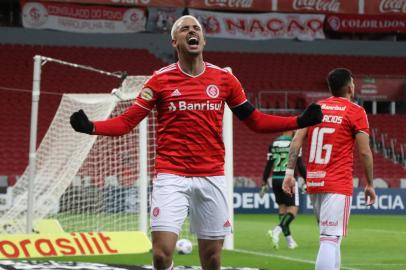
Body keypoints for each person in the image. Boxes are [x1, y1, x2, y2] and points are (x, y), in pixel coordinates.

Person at [70, 15, 323, 270]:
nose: (192, 31)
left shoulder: (224, 79)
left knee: (212, 258)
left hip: (211, 176)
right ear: (174, 42)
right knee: (161, 254)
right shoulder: (159, 80)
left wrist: (298, 121)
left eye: (196, 28)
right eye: (184, 29)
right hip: (171, 175)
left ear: (203, 39)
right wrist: (92, 127)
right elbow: (127, 121)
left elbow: (255, 121)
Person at [282, 68, 376, 270]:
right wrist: (369, 183)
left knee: (332, 238)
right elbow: (365, 152)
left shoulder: (315, 107)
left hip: (315, 182)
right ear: (350, 87)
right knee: (329, 239)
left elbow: (296, 141)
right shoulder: (356, 112)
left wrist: (289, 174)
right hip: (337, 183)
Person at [260, 130, 306, 249]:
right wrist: (307, 179)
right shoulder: (294, 143)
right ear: (291, 130)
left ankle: (290, 241)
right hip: (288, 179)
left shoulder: (274, 143)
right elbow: (300, 165)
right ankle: (276, 231)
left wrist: (264, 180)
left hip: (275, 179)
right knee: (293, 210)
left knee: (282, 209)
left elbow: (269, 165)